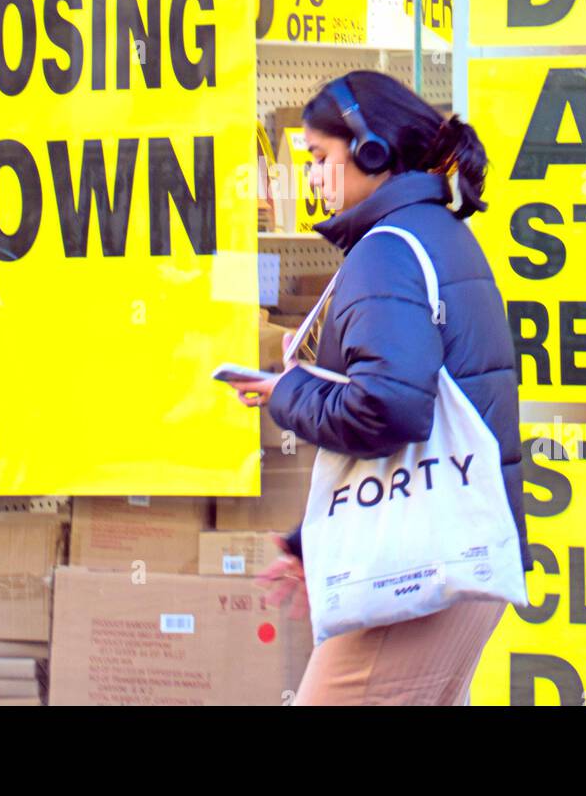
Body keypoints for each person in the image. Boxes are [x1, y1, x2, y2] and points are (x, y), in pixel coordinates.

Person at [221, 70, 532, 706]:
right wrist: (315, 540)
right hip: (453, 553)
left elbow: (390, 408)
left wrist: (286, 397)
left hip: (416, 578)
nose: (311, 177)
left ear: (369, 152)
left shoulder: (385, 252)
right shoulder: (439, 234)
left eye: (318, 157)